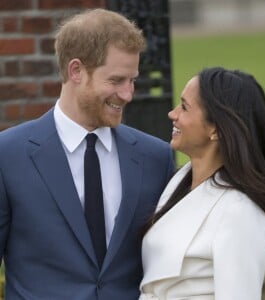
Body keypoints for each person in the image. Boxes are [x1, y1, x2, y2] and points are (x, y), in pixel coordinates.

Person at [0, 8, 175, 300]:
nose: (128, 94)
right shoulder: (8, 155)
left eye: (132, 80)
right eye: (116, 80)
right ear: (76, 71)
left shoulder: (155, 158)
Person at [139, 67, 265, 300]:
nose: (172, 114)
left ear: (215, 129)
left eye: (184, 107)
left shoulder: (240, 212)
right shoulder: (177, 183)